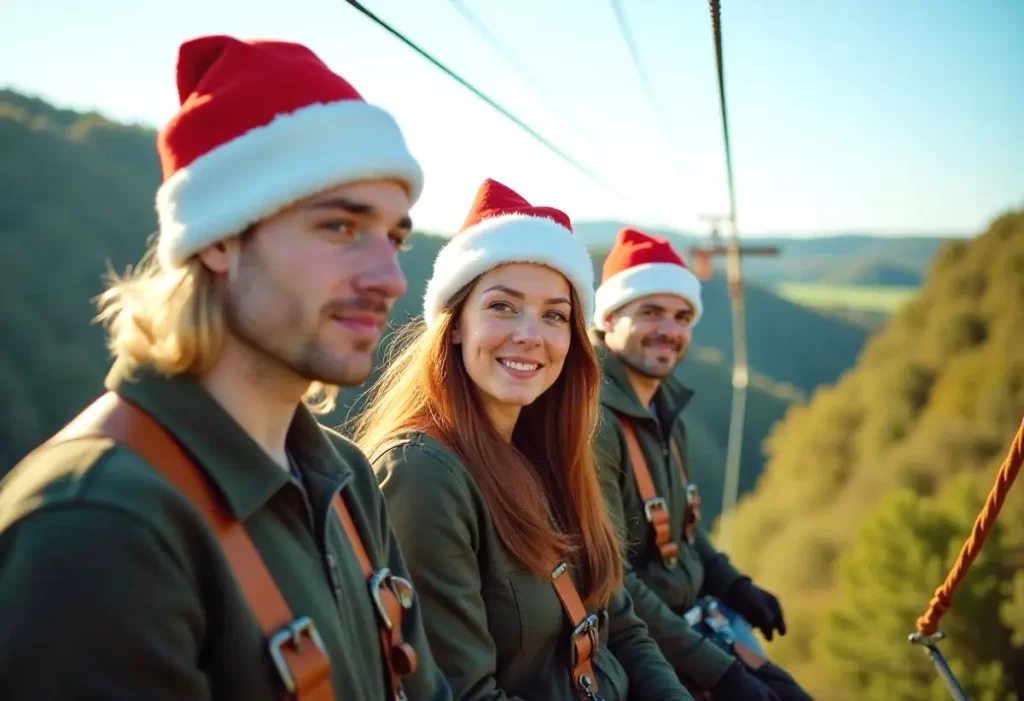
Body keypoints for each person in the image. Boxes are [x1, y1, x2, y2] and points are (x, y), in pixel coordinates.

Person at [0, 35, 451, 701]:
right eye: (339, 227)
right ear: (217, 240)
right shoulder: (97, 523)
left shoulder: (344, 476)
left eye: (394, 237)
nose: (389, 276)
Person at [351, 179, 693, 701]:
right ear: (456, 324)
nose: (531, 334)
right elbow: (460, 693)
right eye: (503, 306)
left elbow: (620, 623)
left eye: (554, 314)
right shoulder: (423, 474)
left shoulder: (552, 453)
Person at [591, 228, 813, 700]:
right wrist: (720, 672)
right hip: (639, 648)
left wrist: (733, 585)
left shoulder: (662, 407)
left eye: (682, 316)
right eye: (650, 311)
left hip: (695, 624)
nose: (670, 329)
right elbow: (613, 584)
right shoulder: (594, 423)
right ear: (608, 318)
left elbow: (679, 533)